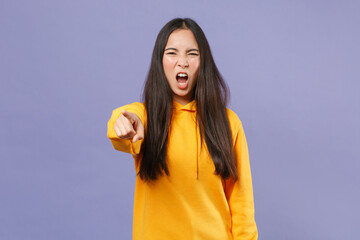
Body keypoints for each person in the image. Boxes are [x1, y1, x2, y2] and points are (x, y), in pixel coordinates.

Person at [107, 18, 258, 240]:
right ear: (160, 61)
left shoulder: (228, 123)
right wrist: (124, 123)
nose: (182, 62)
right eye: (172, 53)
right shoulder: (146, 118)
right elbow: (121, 124)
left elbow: (242, 206)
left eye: (192, 54)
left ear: (203, 62)